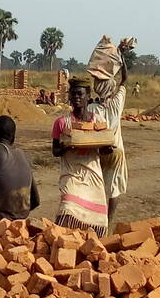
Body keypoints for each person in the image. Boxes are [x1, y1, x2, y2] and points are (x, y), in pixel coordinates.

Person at [52, 76, 112, 236]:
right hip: (71, 174)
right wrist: (68, 146)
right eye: (73, 94)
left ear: (88, 97)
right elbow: (55, 151)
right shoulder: (62, 123)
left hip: (92, 174)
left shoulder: (99, 121)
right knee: (68, 208)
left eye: (80, 94)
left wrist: (108, 148)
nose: (76, 98)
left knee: (96, 219)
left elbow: (104, 150)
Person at [93, 57, 128, 224]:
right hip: (116, 152)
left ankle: (96, 217)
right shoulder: (116, 104)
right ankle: (109, 219)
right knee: (114, 188)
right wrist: (122, 60)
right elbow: (125, 80)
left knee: (97, 186)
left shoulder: (91, 108)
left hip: (98, 152)